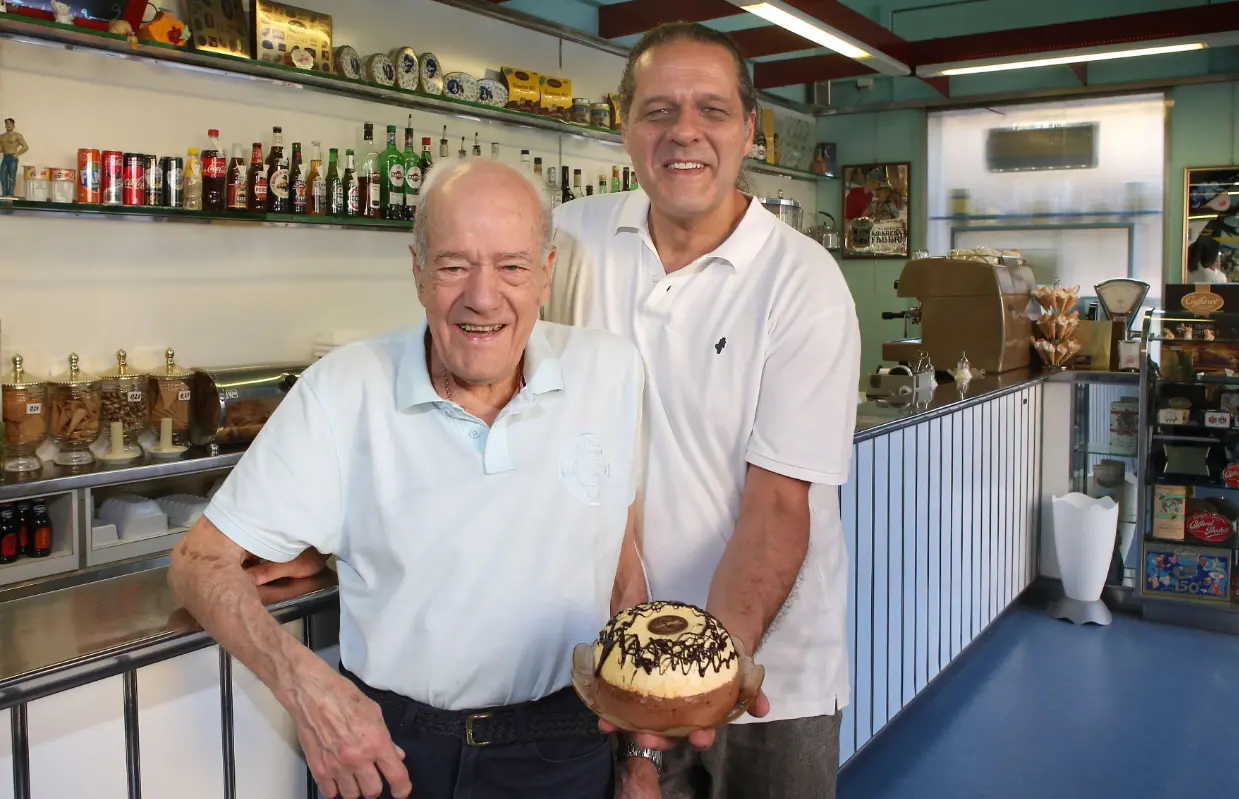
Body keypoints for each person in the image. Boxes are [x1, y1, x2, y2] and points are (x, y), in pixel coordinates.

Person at [168, 159, 650, 799]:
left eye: (512, 266)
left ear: (547, 274)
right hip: (393, 750)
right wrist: (306, 687)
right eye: (454, 265)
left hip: (566, 742)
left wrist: (641, 755)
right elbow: (198, 562)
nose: (483, 296)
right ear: (418, 271)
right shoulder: (343, 390)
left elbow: (618, 561)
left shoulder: (610, 372)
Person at [547, 22, 860, 799]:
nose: (683, 131)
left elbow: (777, 509)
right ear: (621, 125)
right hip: (612, 664)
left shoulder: (802, 282)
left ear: (750, 129)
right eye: (657, 110)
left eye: (711, 110)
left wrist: (686, 689)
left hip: (768, 677)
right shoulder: (570, 241)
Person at [0, 118, 29, 199]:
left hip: (12, 157)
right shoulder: (1, 136)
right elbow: (1, 149)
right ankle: (4, 193)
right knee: (2, 176)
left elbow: (25, 147)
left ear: (13, 125)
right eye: (7, 123)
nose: (8, 125)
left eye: (10, 123)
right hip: (5, 157)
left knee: (11, 177)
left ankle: (10, 194)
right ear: (5, 125)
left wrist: (17, 154)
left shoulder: (17, 135)